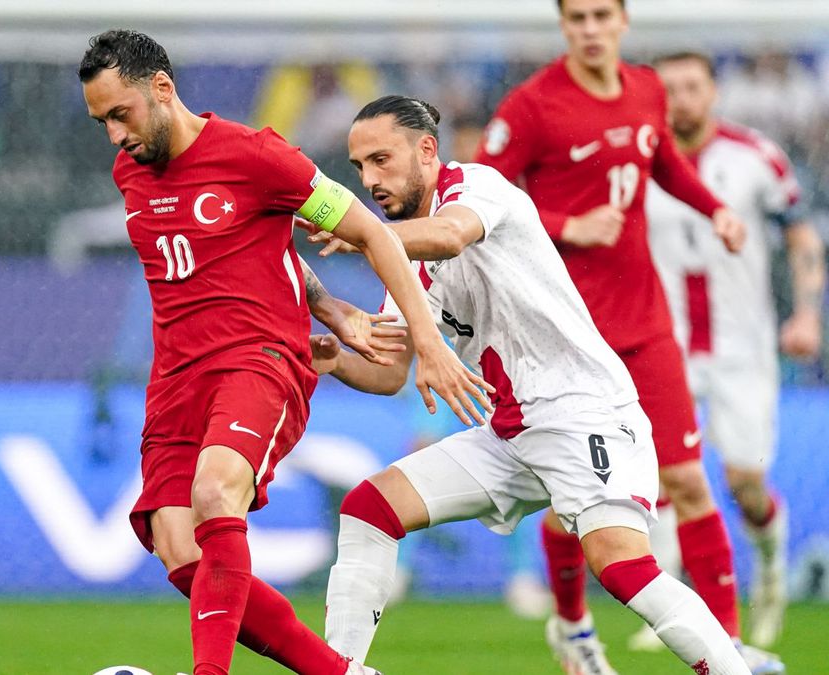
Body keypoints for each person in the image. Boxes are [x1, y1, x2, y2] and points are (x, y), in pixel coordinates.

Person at [78, 29, 493, 675]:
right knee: (180, 551)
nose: (114, 134)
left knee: (217, 492)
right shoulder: (130, 172)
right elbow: (248, 250)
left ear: (161, 89)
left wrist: (427, 342)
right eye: (102, 121)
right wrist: (327, 303)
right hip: (175, 379)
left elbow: (373, 235)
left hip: (257, 360)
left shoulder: (259, 155)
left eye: (120, 114)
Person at [308, 94, 752, 674]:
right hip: (511, 434)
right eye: (360, 167)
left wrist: (365, 234)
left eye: (381, 160)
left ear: (426, 150)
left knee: (620, 567)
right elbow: (390, 372)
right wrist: (335, 361)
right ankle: (340, 669)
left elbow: (447, 236)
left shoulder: (477, 188)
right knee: (371, 507)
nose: (369, 180)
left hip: (583, 411)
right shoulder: (402, 261)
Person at [473, 1, 781, 672]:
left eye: (600, 15)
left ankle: (725, 647)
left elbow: (665, 162)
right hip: (565, 337)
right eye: (576, 17)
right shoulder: (533, 106)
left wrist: (717, 208)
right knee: (573, 502)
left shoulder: (646, 88)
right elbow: (474, 194)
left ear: (622, 21)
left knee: (688, 482)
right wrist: (567, 224)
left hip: (645, 325)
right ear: (563, 25)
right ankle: (574, 629)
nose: (589, 29)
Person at [638, 51, 826, 650]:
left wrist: (805, 313)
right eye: (670, 88)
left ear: (714, 91)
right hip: (665, 344)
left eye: (692, 86)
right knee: (665, 473)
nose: (682, 99)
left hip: (743, 350)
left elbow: (800, 236)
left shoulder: (755, 158)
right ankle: (672, 601)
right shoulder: (639, 163)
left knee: (745, 481)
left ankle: (769, 568)